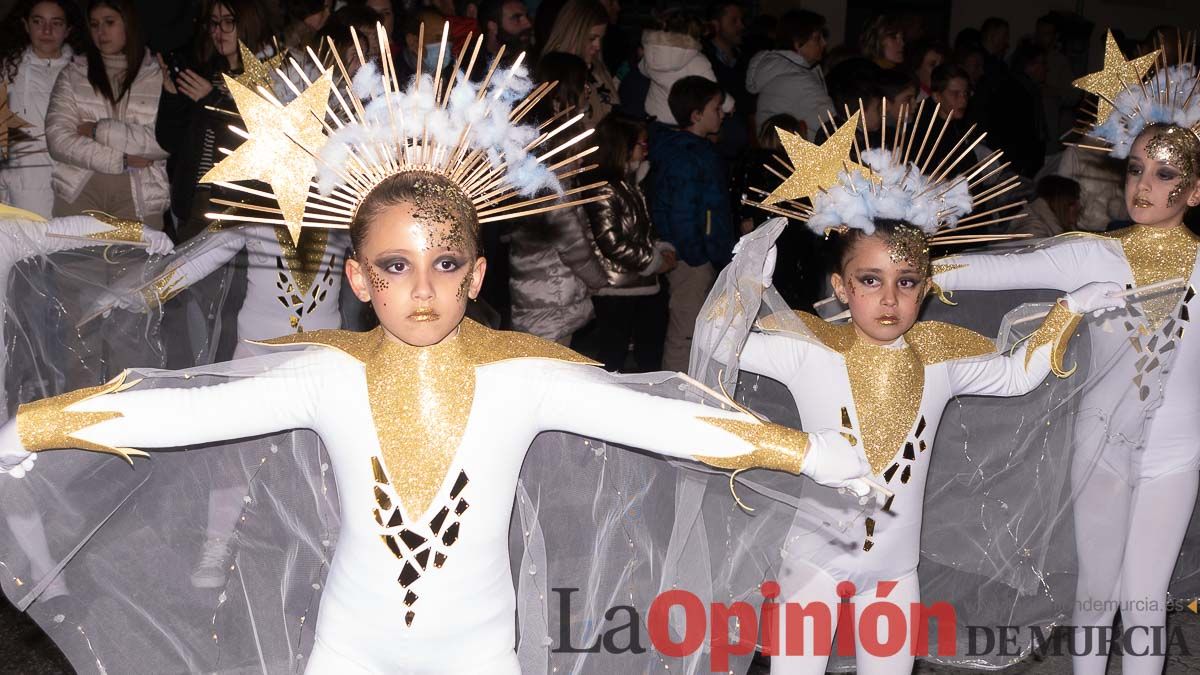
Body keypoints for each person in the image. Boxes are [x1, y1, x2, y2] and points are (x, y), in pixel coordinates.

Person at [0, 31, 874, 673]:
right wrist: (32, 424)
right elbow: (183, 406)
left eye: (445, 261)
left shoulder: (522, 375)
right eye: (396, 264)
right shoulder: (326, 373)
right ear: (360, 276)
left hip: (480, 653)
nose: (422, 286)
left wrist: (804, 451)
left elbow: (665, 419)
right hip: (348, 649)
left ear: (476, 271)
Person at [696, 110, 1125, 674]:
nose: (890, 300)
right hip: (812, 565)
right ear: (842, 287)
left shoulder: (938, 353)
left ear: (925, 288)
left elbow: (1017, 374)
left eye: (906, 283)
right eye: (871, 281)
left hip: (896, 575)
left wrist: (1068, 310)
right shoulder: (812, 346)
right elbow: (717, 345)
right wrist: (744, 279)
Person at [932, 37, 1200, 673]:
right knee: (1096, 596)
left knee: (1144, 602)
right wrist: (904, 257)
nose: (1143, 184)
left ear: (1194, 191)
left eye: (1164, 174)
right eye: (1135, 168)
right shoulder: (1094, 253)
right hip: (1100, 447)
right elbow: (988, 271)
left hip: (1176, 454)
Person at [154, 0, 274, 242]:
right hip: (195, 201)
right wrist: (172, 97)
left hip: (241, 206)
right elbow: (168, 141)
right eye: (213, 23)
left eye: (229, 22)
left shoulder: (271, 77)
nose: (218, 31)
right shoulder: (205, 73)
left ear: (249, 23)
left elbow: (262, 145)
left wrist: (214, 101)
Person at [508, 51, 607, 343]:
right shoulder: (550, 172)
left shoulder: (539, 154)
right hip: (550, 298)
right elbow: (571, 239)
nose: (588, 90)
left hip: (546, 294)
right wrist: (598, 279)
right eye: (581, 84)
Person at [45, 0, 168, 227]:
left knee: (135, 262)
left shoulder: (159, 75)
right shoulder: (74, 74)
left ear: (129, 24)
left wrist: (97, 130)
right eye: (94, 24)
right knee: (76, 261)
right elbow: (58, 139)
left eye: (109, 22)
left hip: (142, 196)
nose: (101, 32)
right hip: (79, 191)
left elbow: (165, 140)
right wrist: (120, 160)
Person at [649, 75, 733, 371]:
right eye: (716, 108)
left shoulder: (701, 151)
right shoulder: (686, 155)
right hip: (691, 259)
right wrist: (697, 254)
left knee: (697, 330)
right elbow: (682, 211)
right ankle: (674, 393)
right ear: (697, 115)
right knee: (685, 332)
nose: (721, 114)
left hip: (702, 253)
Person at [579, 113, 674, 371]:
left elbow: (643, 229)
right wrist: (653, 261)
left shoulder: (630, 185)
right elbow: (610, 241)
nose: (646, 150)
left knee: (649, 351)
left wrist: (661, 249)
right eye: (642, 144)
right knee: (612, 356)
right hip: (617, 287)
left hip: (641, 283)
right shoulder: (604, 188)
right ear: (623, 146)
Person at [0, 0, 82, 218]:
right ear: (26, 25)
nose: (46, 30)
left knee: (67, 243)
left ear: (68, 30)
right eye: (38, 22)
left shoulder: (83, 73)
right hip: (22, 182)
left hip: (71, 182)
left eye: (56, 23)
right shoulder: (8, 70)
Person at [745, 9, 831, 139]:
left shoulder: (782, 71)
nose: (824, 43)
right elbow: (833, 128)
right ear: (798, 44)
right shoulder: (798, 80)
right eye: (817, 38)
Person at [541, 0, 618, 126]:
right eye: (591, 38)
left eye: (601, 39)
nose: (597, 46)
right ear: (573, 33)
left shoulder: (597, 66)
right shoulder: (554, 72)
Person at [638, 10, 716, 126]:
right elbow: (712, 90)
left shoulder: (651, 55)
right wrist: (728, 105)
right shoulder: (698, 61)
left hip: (654, 118)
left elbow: (642, 69)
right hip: (682, 121)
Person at [1011, 175, 1081, 238]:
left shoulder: (1052, 226)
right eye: (1072, 203)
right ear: (1059, 204)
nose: (1079, 206)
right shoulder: (1032, 227)